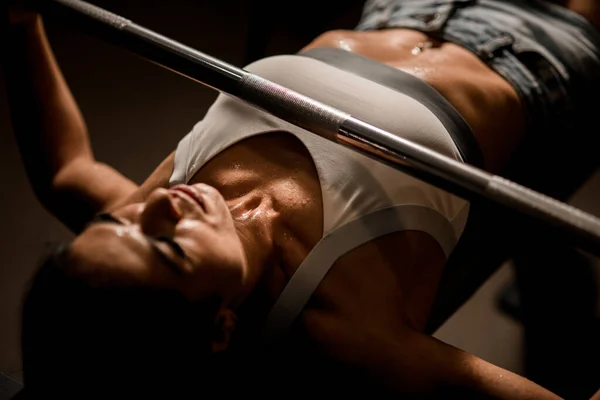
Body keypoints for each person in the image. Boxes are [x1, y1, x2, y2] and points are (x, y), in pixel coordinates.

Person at [3, 0, 600, 398]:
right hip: (542, 59)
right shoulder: (343, 331)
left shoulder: (164, 211)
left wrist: (19, 23)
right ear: (220, 327)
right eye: (170, 252)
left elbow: (67, 171)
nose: (157, 205)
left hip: (402, 8)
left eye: (116, 219)